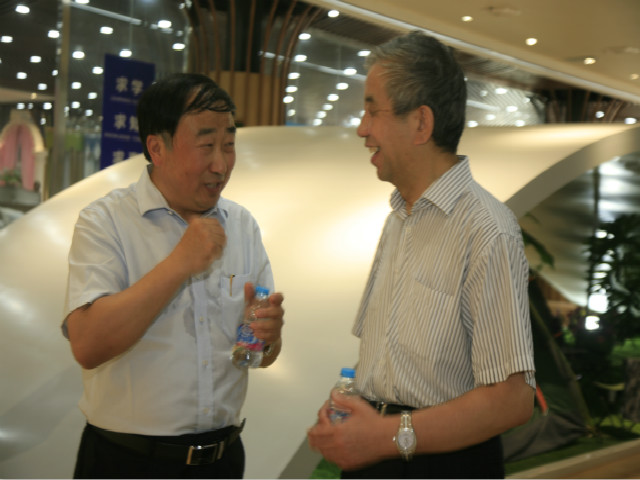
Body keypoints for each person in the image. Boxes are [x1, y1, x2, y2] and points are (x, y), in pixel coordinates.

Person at [307, 31, 535, 479]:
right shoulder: (399, 218)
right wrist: (352, 409)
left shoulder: (487, 230)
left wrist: (385, 435)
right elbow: (389, 363)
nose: (362, 128)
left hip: (444, 464)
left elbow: (512, 399)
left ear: (421, 123)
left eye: (372, 110)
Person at [62, 73, 284, 479]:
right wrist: (180, 263)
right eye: (206, 146)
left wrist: (269, 338)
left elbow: (261, 354)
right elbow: (88, 344)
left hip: (222, 460)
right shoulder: (105, 221)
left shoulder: (242, 225)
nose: (221, 165)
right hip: (127, 462)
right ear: (157, 148)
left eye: (229, 145)